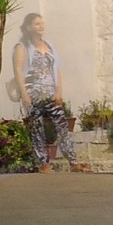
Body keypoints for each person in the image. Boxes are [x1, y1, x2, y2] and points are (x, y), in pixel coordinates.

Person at [14, 13, 79, 170]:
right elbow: (18, 70)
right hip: (33, 92)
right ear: (29, 27)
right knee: (36, 126)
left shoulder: (49, 46)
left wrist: (59, 90)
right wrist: (24, 94)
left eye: (42, 23)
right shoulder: (22, 47)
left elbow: (56, 68)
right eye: (37, 24)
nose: (41, 26)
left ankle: (73, 160)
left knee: (62, 124)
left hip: (50, 93)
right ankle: (43, 162)